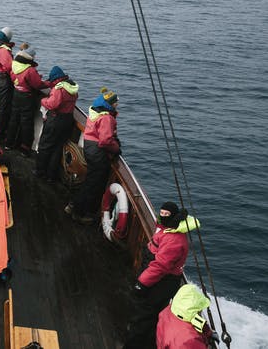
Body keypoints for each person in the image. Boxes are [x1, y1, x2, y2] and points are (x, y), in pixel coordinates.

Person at [122, 202, 202, 349]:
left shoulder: (174, 240)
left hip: (162, 282)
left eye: (166, 214)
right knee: (150, 315)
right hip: (160, 278)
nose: (162, 216)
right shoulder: (167, 228)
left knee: (144, 315)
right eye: (162, 213)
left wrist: (142, 284)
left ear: (174, 217)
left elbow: (160, 266)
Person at [67, 88, 121, 223]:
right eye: (115, 102)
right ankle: (79, 212)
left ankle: (73, 205)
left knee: (89, 180)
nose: (117, 104)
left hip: (89, 147)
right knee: (93, 184)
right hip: (97, 152)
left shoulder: (96, 111)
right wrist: (116, 149)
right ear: (110, 104)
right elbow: (105, 141)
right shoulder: (107, 118)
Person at [34, 65, 78, 183]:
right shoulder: (72, 87)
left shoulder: (59, 89)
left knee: (45, 146)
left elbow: (52, 104)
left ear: (55, 79)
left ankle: (40, 172)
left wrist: (43, 101)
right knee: (57, 148)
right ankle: (51, 175)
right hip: (67, 120)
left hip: (56, 119)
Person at [4, 45, 48, 151]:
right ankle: (25, 148)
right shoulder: (30, 70)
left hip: (16, 93)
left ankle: (9, 144)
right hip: (26, 97)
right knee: (26, 122)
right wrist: (49, 83)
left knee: (14, 120)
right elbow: (37, 84)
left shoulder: (15, 64)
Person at [156, 284, 214, 349]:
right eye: (199, 308)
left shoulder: (169, 311)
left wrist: (208, 333)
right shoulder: (189, 340)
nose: (200, 310)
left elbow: (195, 320)